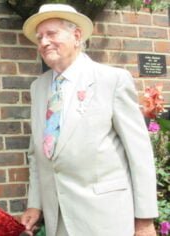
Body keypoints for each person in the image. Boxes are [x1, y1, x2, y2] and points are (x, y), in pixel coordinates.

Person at [20, 4, 158, 236]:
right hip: (58, 220)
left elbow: (139, 154)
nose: (43, 42)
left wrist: (144, 220)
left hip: (106, 219)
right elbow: (37, 153)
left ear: (76, 36)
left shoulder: (111, 80)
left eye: (51, 33)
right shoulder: (38, 87)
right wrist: (36, 204)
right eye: (40, 37)